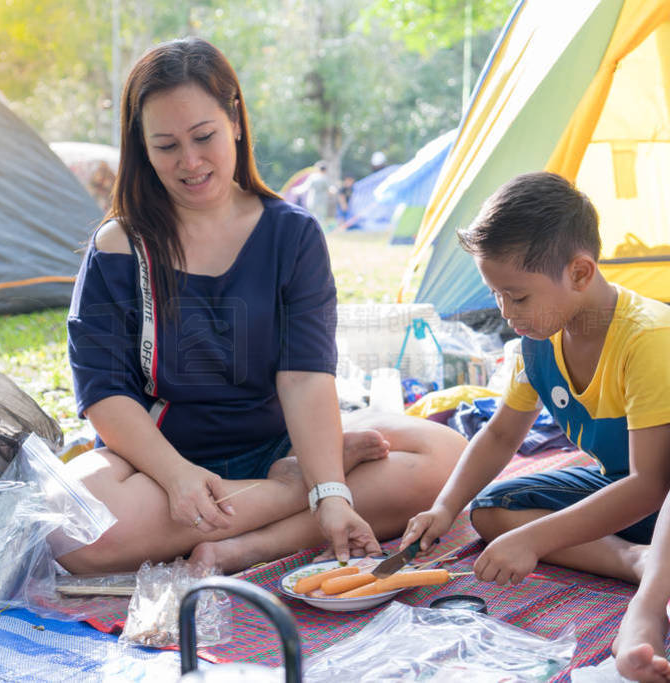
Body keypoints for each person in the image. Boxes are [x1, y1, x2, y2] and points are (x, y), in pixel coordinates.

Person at [60, 37, 466, 577]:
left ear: (234, 119)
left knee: (448, 457)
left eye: (203, 136)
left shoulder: (292, 235)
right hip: (161, 466)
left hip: (282, 441)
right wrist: (184, 476)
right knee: (69, 529)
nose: (190, 162)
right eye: (166, 146)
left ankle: (252, 542)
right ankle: (291, 495)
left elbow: (304, 379)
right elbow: (104, 393)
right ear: (142, 147)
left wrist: (329, 486)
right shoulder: (118, 245)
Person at [400, 172, 670, 683]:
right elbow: (502, 435)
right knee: (492, 512)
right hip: (651, 501)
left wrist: (537, 539)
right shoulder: (540, 341)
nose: (506, 314)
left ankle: (648, 609)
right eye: (497, 296)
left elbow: (652, 482)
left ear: (579, 272)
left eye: (518, 297)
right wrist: (445, 508)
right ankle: (645, 560)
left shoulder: (650, 338)